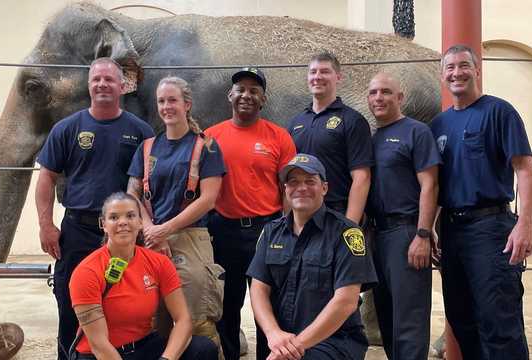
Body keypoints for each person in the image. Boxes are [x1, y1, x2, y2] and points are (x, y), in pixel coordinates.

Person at [35, 57, 154, 359]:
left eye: (109, 79)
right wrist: (46, 225)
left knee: (124, 305)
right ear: (89, 85)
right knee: (70, 304)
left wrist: (150, 228)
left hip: (124, 235)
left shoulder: (140, 132)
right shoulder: (67, 129)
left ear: (122, 86)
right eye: (96, 79)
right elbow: (46, 178)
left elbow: (149, 185)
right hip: (77, 231)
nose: (102, 84)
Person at [431, 44, 532, 359]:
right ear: (442, 75)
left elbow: (526, 171)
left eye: (463, 65)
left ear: (476, 70)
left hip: (491, 230)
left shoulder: (500, 112)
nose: (456, 73)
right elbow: (438, 183)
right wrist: (431, 228)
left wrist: (525, 224)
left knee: (499, 321)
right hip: (452, 232)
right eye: (449, 67)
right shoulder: (439, 125)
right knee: (462, 320)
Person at [126, 76, 226, 355]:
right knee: (153, 323)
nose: (166, 106)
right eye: (161, 101)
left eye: (172, 100)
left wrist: (165, 229)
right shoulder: (147, 148)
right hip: (150, 240)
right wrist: (150, 230)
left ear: (187, 105)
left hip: (191, 239)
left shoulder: (206, 147)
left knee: (197, 322)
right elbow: (132, 193)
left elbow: (208, 199)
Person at [204, 67, 297, 360]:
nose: (246, 95)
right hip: (223, 232)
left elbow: (289, 189)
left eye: (254, 91)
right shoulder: (210, 137)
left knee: (268, 306)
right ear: (230, 95)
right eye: (241, 89)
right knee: (227, 307)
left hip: (267, 231)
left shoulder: (279, 137)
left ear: (263, 99)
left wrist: (287, 229)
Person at [248, 154, 378, 360]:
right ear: (285, 189)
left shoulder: (347, 234)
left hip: (333, 341)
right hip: (281, 340)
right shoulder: (271, 232)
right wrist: (273, 334)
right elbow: (258, 288)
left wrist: (295, 346)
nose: (301, 188)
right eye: (293, 182)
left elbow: (346, 301)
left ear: (324, 188)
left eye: (310, 181)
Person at [68, 191, 218, 360]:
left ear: (141, 222)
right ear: (103, 224)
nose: (123, 222)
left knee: (203, 348)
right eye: (114, 217)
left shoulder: (158, 262)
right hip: (101, 355)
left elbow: (183, 320)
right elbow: (99, 345)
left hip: (143, 346)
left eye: (130, 216)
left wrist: (166, 359)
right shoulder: (87, 272)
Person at [365, 73, 441, 359]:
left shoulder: (416, 132)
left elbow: (430, 185)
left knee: (409, 319)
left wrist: (423, 234)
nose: (378, 98)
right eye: (373, 93)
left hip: (406, 233)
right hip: (377, 236)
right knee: (386, 316)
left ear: (400, 98)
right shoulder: (372, 138)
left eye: (386, 92)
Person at [287, 51, 373, 223]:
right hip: (301, 214)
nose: (317, 77)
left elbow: (362, 177)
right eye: (313, 72)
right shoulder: (296, 122)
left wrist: (350, 226)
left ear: (338, 77)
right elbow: (287, 176)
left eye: (324, 71)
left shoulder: (352, 120)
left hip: (336, 214)